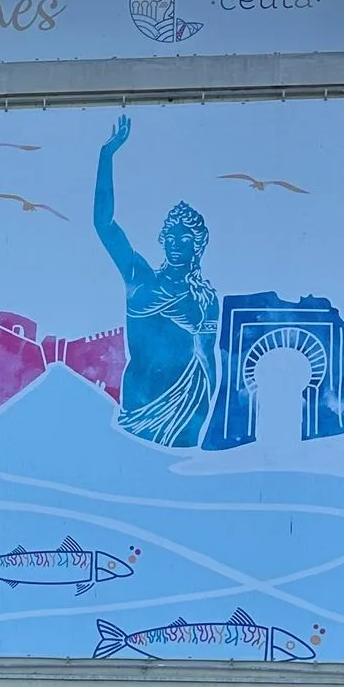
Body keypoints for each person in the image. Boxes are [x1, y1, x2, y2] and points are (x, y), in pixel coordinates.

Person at [91, 114, 220, 447]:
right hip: (140, 398)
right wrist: (107, 155)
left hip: (186, 403)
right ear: (163, 241)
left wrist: (209, 409)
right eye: (171, 238)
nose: (177, 245)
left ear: (198, 245)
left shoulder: (204, 297)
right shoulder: (140, 277)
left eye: (185, 239)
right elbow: (105, 225)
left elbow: (207, 356)